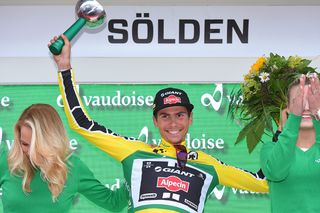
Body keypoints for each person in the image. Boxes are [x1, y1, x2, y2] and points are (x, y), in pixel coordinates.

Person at [50, 35, 268, 213]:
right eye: (165, 116)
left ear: (191, 119)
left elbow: (263, 182)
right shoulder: (135, 152)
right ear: (155, 121)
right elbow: (82, 123)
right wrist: (64, 67)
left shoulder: (208, 164)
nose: (173, 122)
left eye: (180, 115)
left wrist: (283, 129)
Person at [0, 104, 128, 213]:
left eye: (35, 145)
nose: (28, 152)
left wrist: (136, 166)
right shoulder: (6, 161)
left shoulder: (73, 167)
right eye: (24, 144)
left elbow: (113, 203)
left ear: (51, 141)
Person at [260, 74, 320, 213]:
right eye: (298, 100)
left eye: (310, 100)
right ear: (287, 109)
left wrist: (317, 114)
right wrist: (294, 119)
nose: (305, 107)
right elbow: (276, 173)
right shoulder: (269, 149)